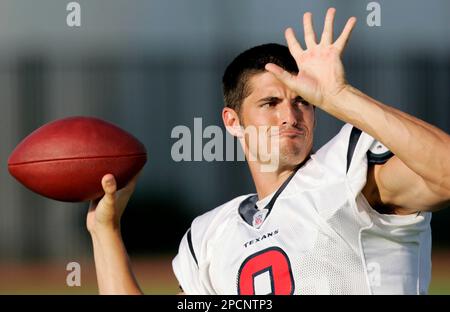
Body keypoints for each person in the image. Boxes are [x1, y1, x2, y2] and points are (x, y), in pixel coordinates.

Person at [86, 8, 450, 294]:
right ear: (232, 121)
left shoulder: (347, 174)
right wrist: (105, 231)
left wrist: (342, 97)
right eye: (270, 102)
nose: (289, 116)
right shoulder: (210, 235)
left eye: (303, 101)